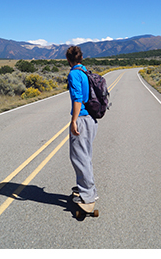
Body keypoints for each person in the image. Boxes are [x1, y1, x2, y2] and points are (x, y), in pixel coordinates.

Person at [66, 45, 98, 204]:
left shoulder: (74, 74)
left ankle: (88, 195)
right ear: (81, 58)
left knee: (78, 157)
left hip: (82, 119)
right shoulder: (86, 72)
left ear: (68, 59)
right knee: (86, 156)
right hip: (92, 120)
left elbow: (77, 99)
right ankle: (89, 189)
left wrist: (74, 121)